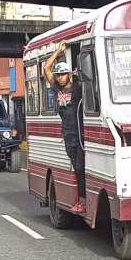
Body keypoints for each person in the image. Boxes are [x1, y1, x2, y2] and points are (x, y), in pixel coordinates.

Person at [44, 40, 85, 210]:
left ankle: (83, 200)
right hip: (68, 136)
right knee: (76, 167)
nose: (60, 78)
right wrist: (58, 51)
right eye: (58, 75)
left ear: (69, 74)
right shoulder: (57, 90)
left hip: (80, 135)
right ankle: (80, 199)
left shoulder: (77, 88)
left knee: (81, 168)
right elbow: (46, 68)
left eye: (63, 74)